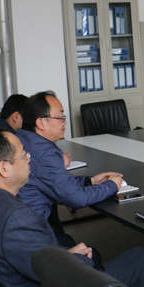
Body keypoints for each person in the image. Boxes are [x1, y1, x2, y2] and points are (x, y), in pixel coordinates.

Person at [0, 123, 144, 287]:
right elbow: (54, 274)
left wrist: (64, 254)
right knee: (143, 261)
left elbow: (28, 256)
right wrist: (76, 258)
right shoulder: (16, 218)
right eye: (24, 155)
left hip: (26, 275)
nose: (29, 159)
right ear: (4, 168)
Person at [17, 91, 122, 253]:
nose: (64, 122)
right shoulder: (44, 153)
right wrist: (112, 185)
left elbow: (55, 182)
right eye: (60, 117)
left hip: (23, 225)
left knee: (67, 239)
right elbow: (77, 199)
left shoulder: (23, 138)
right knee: (92, 254)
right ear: (41, 123)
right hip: (33, 236)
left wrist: (89, 181)